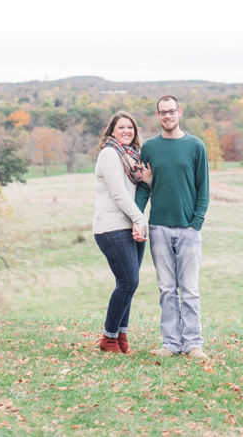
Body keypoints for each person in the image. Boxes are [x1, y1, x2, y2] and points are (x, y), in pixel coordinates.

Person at [134, 94, 210, 361]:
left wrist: (195, 223)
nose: (167, 116)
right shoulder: (150, 148)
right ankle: (170, 344)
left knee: (189, 289)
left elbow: (204, 188)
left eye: (171, 111)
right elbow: (144, 187)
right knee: (167, 289)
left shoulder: (195, 146)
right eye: (162, 112)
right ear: (157, 116)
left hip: (188, 229)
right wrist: (137, 217)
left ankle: (193, 344)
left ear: (179, 112)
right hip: (159, 229)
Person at [92, 110, 152, 354]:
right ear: (112, 131)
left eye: (131, 127)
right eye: (121, 127)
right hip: (111, 227)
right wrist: (140, 220)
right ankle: (108, 338)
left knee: (129, 283)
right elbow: (118, 194)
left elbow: (137, 191)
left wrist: (146, 180)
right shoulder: (109, 154)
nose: (127, 131)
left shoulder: (133, 156)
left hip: (130, 226)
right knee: (128, 282)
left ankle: (121, 337)